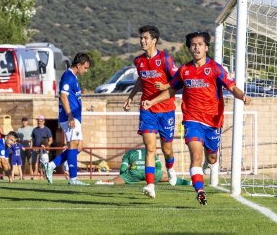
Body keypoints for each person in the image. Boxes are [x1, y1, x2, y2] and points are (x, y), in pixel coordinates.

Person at [142, 31, 252, 205]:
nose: (196, 47)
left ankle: (211, 159)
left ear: (206, 47)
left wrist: (243, 96)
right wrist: (152, 101)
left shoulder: (216, 68)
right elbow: (171, 90)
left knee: (212, 159)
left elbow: (231, 87)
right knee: (196, 156)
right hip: (192, 120)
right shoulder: (184, 70)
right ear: (189, 48)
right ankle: (200, 191)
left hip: (213, 122)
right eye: (193, 45)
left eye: (200, 44)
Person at [123, 25, 179, 199]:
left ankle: (170, 167)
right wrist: (131, 96)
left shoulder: (165, 59)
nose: (142, 40)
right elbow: (141, 79)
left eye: (146, 38)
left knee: (167, 148)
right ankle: (150, 186)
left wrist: (165, 86)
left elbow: (177, 82)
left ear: (154, 41)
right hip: (147, 109)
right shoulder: (138, 61)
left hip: (166, 110)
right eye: (141, 38)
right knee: (150, 148)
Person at [42, 53, 91, 186]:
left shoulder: (73, 77)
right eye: (85, 68)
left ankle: (51, 165)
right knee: (73, 145)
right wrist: (70, 116)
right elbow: (63, 96)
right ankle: (73, 179)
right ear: (78, 65)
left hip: (75, 117)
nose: (86, 71)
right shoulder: (68, 76)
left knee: (79, 146)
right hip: (69, 117)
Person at [96, 149, 191, 186]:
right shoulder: (150, 151)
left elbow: (123, 169)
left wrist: (124, 177)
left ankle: (102, 182)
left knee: (114, 181)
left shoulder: (128, 153)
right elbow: (158, 166)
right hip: (152, 173)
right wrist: (158, 173)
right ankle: (190, 183)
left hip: (134, 173)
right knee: (171, 179)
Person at [31, 115, 53, 180]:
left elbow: (51, 140)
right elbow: (32, 139)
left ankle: (43, 175)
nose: (39, 122)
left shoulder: (47, 130)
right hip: (35, 148)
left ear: (43, 121)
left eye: (40, 121)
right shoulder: (34, 130)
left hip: (44, 149)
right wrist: (32, 147)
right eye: (38, 121)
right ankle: (35, 175)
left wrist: (45, 146)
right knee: (34, 162)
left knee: (44, 163)